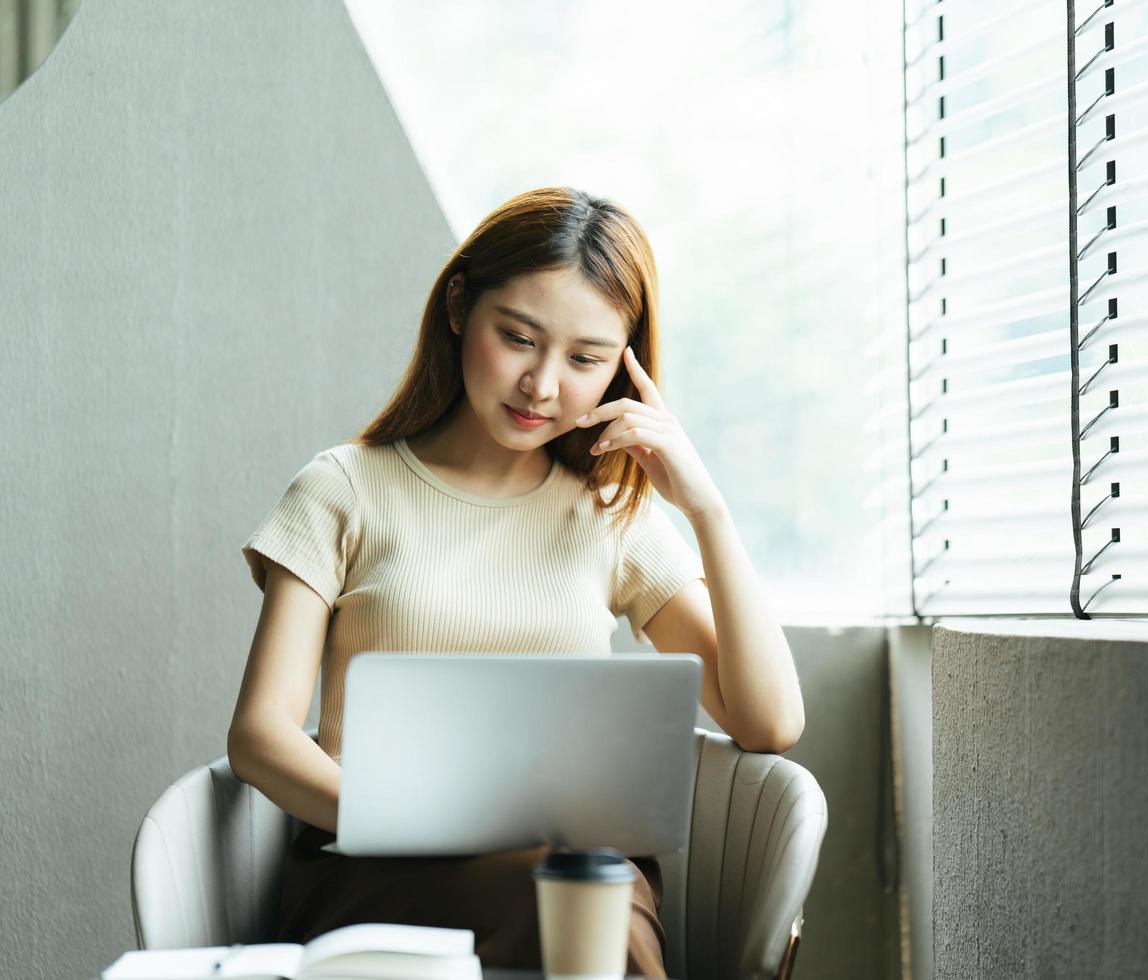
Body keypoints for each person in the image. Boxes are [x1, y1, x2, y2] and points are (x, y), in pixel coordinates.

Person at [225, 186, 806, 976]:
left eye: (585, 360)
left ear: (624, 369)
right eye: (519, 338)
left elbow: (769, 723)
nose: (541, 384)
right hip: (375, 869)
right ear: (460, 307)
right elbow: (260, 737)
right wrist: (416, 823)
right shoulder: (343, 489)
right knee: (581, 918)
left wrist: (706, 508)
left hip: (577, 872)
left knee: (589, 906)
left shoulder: (609, 513)